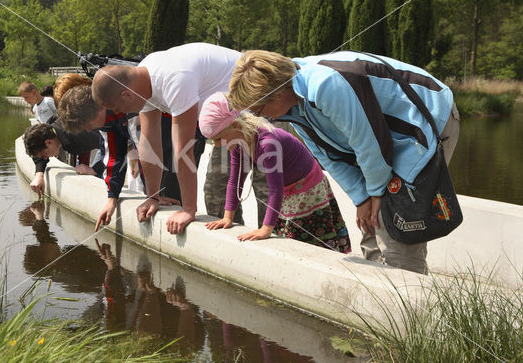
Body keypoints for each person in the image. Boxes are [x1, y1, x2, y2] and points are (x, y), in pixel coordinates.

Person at [228, 50, 460, 274]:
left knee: (398, 226)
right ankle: (378, 289)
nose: (260, 117)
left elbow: (370, 145)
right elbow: (327, 155)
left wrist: (376, 193)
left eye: (258, 109)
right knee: (371, 223)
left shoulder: (327, 85)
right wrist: (361, 197)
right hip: (382, 141)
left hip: (422, 123)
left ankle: (408, 294)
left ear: (277, 95)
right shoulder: (292, 103)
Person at [92, 42, 260, 235]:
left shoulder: (174, 79)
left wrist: (188, 209)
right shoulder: (143, 79)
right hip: (229, 121)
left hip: (260, 109)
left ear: (126, 94)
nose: (119, 114)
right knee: (217, 192)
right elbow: (149, 142)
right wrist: (153, 196)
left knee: (270, 185)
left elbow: (183, 149)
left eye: (117, 109)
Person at [199, 92, 351, 252]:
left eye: (218, 138)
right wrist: (227, 217)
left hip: (307, 187)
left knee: (310, 239)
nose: (215, 145)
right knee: (288, 235)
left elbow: (275, 190)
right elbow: (235, 180)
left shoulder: (267, 144)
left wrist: (265, 229)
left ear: (236, 126)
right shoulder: (238, 144)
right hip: (288, 189)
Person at [56, 85, 179, 230]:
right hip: (159, 147)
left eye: (88, 125)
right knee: (157, 194)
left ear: (98, 109)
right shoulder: (106, 121)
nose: (89, 130)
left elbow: (147, 153)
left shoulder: (128, 108)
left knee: (170, 196)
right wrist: (112, 197)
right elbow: (114, 156)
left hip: (179, 140)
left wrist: (153, 195)